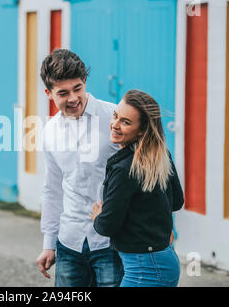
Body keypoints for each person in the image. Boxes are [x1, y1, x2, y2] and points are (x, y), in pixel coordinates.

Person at [36, 49, 123, 286]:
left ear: (84, 82)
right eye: (63, 93)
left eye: (78, 88)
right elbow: (53, 189)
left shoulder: (115, 118)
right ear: (49, 93)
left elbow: (144, 174)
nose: (73, 98)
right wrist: (49, 244)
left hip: (111, 243)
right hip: (69, 243)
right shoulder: (50, 131)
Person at [90, 89, 184, 287]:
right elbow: (176, 201)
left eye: (126, 122)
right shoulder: (160, 155)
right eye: (115, 116)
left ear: (142, 130)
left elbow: (107, 226)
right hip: (163, 260)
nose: (115, 125)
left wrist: (98, 217)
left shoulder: (125, 169)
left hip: (145, 270)